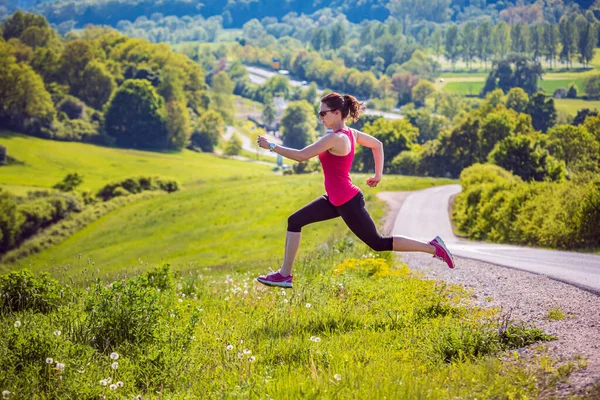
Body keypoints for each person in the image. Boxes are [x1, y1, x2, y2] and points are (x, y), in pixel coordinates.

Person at [255, 93, 454, 288]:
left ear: (337, 113)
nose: (320, 117)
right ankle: (284, 275)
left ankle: (432, 247)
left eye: (323, 113)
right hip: (335, 200)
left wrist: (271, 146)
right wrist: (378, 175)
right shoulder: (351, 133)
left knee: (378, 243)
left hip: (348, 202)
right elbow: (377, 145)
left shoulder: (336, 139)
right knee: (295, 221)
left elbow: (301, 156)